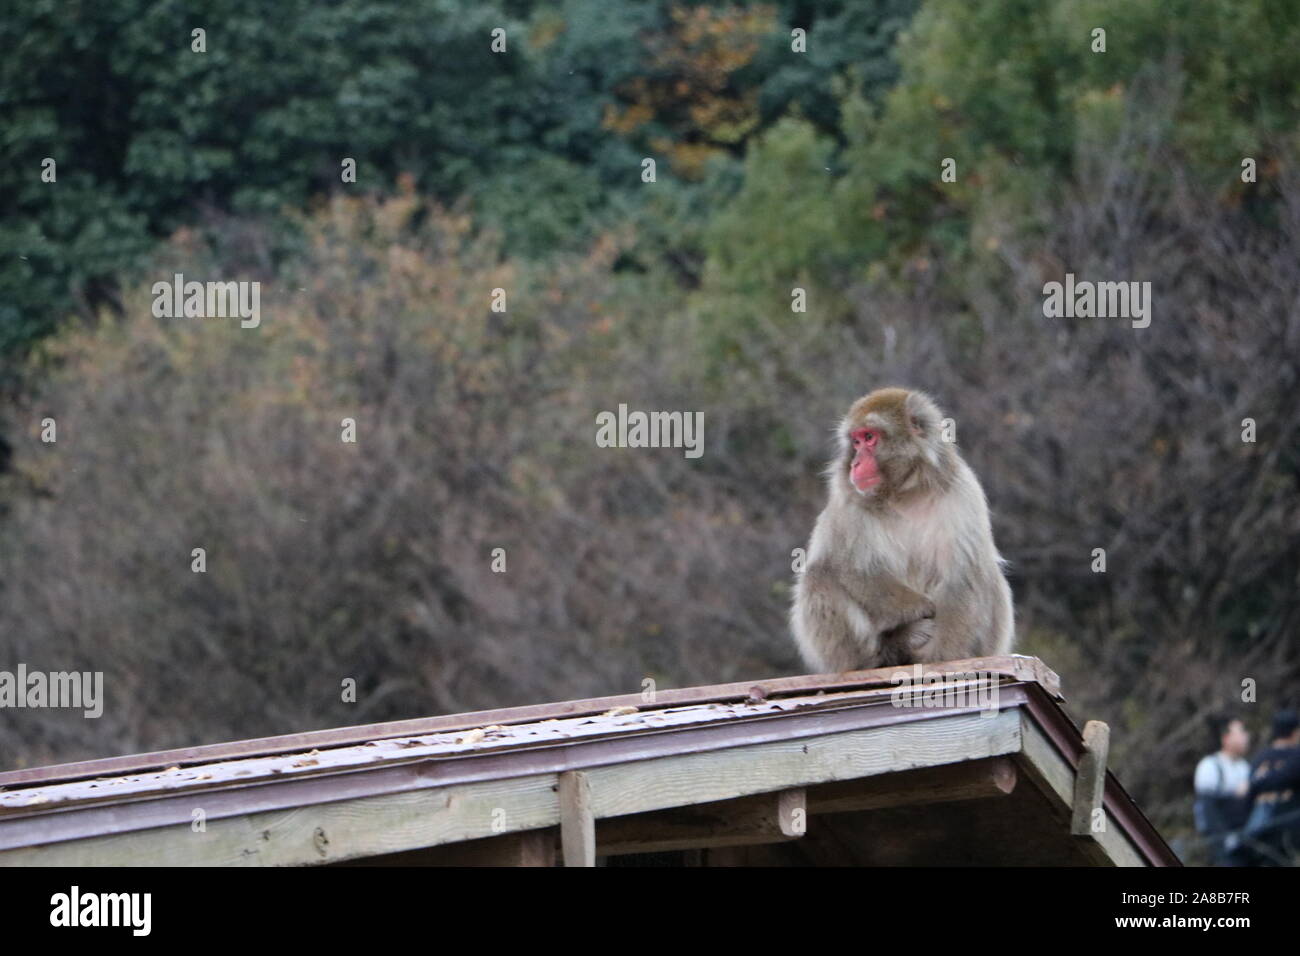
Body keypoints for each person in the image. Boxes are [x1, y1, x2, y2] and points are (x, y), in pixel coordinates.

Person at [1241, 709, 1300, 865]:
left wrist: (1255, 783)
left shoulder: (1260, 758)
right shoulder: (1296, 756)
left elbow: (1247, 795)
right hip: (1290, 834)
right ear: (1295, 732)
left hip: (1260, 833)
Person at [1193, 714, 1252, 864]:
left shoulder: (1245, 767)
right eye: (1241, 732)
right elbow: (1208, 810)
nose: (1246, 736)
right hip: (1222, 845)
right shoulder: (1210, 766)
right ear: (1225, 738)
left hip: (1245, 843)